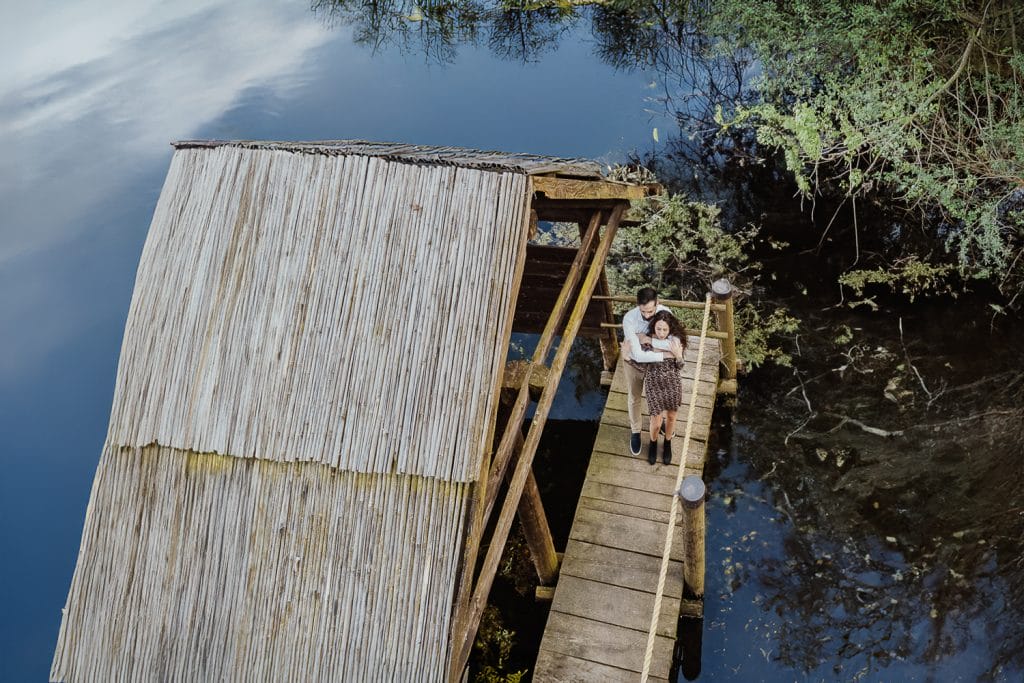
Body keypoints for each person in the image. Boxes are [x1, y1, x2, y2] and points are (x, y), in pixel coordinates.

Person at [621, 287, 675, 457]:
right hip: (633, 363)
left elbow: (674, 344)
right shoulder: (629, 319)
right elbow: (636, 354)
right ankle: (636, 430)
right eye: (643, 311)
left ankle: (660, 424)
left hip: (655, 366)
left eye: (650, 311)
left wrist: (646, 339)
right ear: (638, 306)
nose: (646, 315)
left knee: (660, 395)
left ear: (657, 304)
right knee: (634, 396)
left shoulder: (666, 313)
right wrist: (663, 353)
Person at [641, 311, 687, 465]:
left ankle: (667, 443)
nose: (661, 333)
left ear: (670, 329)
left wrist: (678, 355)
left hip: (672, 384)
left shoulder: (675, 341)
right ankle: (653, 444)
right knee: (655, 421)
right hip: (654, 384)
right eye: (658, 329)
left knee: (672, 417)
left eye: (664, 330)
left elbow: (680, 365)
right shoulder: (647, 341)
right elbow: (643, 359)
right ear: (654, 327)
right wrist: (670, 353)